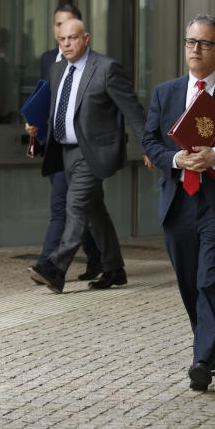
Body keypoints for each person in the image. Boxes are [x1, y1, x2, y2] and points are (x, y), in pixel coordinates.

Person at [142, 15, 215, 391]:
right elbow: (150, 142)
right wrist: (176, 160)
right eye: (190, 42)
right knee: (188, 282)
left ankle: (200, 360)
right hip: (178, 202)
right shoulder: (166, 92)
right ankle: (209, 347)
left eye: (204, 43)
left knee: (210, 278)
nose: (195, 49)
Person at [27, 18, 150, 294]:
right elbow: (57, 109)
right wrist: (35, 125)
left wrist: (149, 146)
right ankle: (114, 269)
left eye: (72, 38)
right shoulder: (57, 69)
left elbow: (132, 110)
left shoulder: (106, 69)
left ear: (86, 38)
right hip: (65, 151)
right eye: (62, 40)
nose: (67, 43)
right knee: (94, 212)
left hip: (93, 151)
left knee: (75, 206)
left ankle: (56, 268)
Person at [32, 4, 102, 281]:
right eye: (58, 26)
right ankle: (104, 261)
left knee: (64, 206)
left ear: (82, 33)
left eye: (69, 26)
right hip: (56, 146)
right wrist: (34, 122)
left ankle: (48, 264)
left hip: (84, 150)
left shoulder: (95, 64)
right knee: (89, 209)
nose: (64, 32)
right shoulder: (48, 59)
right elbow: (44, 96)